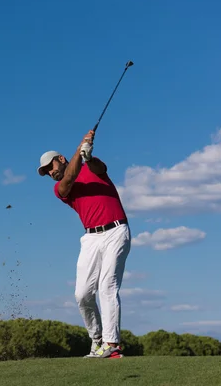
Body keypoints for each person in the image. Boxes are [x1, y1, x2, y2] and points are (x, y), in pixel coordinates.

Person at [37, 129, 131, 359]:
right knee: (82, 294)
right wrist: (80, 149)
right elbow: (68, 178)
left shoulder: (91, 167)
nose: (51, 173)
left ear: (60, 159)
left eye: (51, 167)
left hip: (116, 230)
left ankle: (112, 344)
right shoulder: (59, 189)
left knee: (107, 285)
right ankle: (96, 340)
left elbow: (101, 169)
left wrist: (87, 156)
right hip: (90, 238)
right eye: (47, 173)